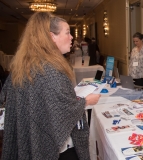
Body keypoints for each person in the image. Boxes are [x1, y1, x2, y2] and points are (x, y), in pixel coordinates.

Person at [0, 12, 101, 160]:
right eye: (67, 33)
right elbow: (62, 113)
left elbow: (5, 97)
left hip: (32, 142)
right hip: (56, 150)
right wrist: (86, 101)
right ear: (52, 37)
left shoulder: (23, 64)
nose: (72, 37)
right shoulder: (50, 69)